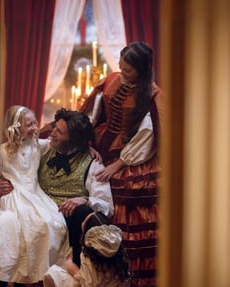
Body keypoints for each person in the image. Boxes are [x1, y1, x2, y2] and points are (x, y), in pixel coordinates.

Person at [79, 41, 162, 287]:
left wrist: (119, 164)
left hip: (134, 152)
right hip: (102, 146)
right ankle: (96, 269)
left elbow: (148, 135)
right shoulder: (111, 80)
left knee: (126, 190)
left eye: (128, 71)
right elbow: (92, 114)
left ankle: (128, 273)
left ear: (143, 70)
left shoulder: (152, 94)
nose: (122, 73)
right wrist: (87, 141)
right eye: (121, 67)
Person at [0, 108, 114, 268]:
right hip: (36, 209)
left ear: (73, 139)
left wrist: (84, 199)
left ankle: (74, 273)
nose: (52, 133)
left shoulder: (93, 165)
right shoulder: (43, 149)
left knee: (83, 212)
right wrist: (7, 184)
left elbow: (107, 206)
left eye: (59, 132)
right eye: (54, 128)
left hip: (68, 217)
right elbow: (17, 156)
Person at [0, 105, 71, 287]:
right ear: (16, 127)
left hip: (35, 195)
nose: (34, 128)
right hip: (13, 198)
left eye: (35, 123)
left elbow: (62, 143)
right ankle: (4, 278)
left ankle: (34, 277)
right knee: (8, 226)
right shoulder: (2, 151)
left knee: (50, 223)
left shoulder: (38, 146)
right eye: (29, 124)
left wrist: (90, 150)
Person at [44, 211, 131, 287]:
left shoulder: (89, 257)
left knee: (52, 273)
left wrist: (73, 269)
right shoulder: (119, 253)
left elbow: (88, 284)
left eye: (85, 221)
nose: (82, 222)